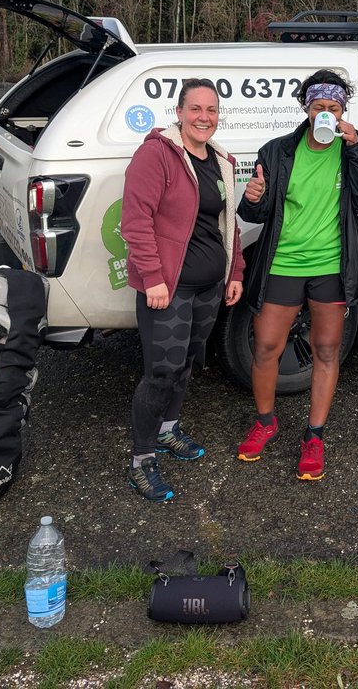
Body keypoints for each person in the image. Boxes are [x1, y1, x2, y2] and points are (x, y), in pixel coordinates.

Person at [236, 69, 358, 481]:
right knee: (265, 347)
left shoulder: (352, 151)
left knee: (327, 350)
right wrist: (253, 198)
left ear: (343, 111)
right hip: (282, 263)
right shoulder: (277, 151)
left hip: (332, 266)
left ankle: (314, 435)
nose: (326, 114)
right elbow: (256, 214)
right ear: (306, 107)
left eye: (334, 108)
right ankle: (265, 422)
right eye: (319, 107)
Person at [120, 78, 244, 502]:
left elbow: (228, 225)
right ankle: (141, 460)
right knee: (161, 373)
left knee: (188, 363)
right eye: (196, 109)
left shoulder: (220, 160)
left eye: (211, 110)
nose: (204, 117)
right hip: (168, 289)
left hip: (209, 286)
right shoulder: (156, 155)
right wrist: (152, 276)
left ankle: (169, 431)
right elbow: (135, 220)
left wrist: (235, 272)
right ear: (179, 112)